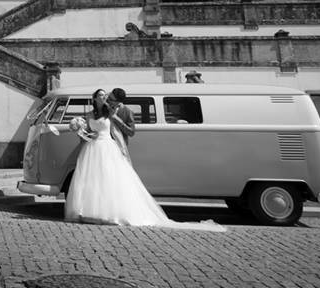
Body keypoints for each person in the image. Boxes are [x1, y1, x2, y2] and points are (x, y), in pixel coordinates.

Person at [63, 88, 225, 231]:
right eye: (102, 95)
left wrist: (121, 149)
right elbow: (88, 133)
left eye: (107, 95)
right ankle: (90, 212)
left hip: (108, 149)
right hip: (92, 149)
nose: (105, 98)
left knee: (110, 180)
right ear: (94, 99)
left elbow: (119, 133)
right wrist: (81, 130)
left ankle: (110, 213)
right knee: (93, 181)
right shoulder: (90, 114)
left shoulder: (111, 113)